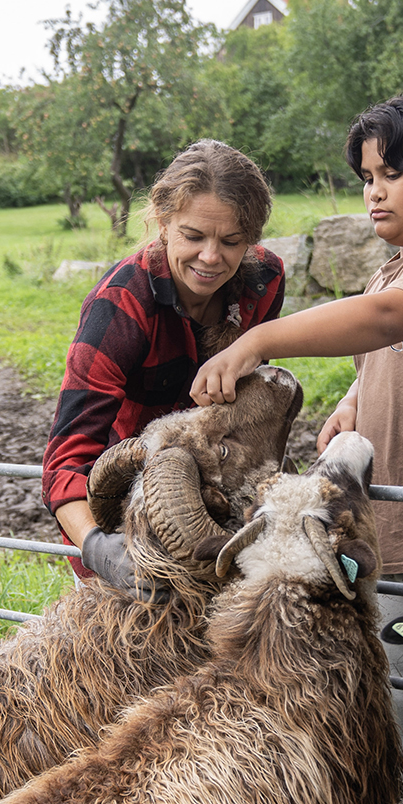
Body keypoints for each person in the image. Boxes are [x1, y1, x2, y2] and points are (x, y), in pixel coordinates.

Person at [190, 88, 403, 737]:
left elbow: (382, 320)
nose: (374, 191)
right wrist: (351, 402)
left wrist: (257, 338)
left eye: (394, 172)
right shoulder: (394, 269)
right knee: (396, 722)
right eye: (367, 176)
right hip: (395, 546)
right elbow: (386, 351)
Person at [42, 140, 285, 593]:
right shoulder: (120, 305)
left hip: (217, 510)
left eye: (232, 241)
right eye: (193, 236)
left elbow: (245, 411)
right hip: (127, 521)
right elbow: (65, 459)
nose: (211, 258)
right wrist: (97, 546)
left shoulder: (264, 281)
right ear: (162, 219)